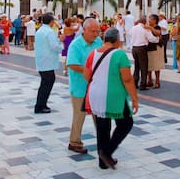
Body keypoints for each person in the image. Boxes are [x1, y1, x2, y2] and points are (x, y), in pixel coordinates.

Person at [84, 28, 139, 170]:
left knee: (102, 127)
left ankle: (103, 161)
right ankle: (106, 152)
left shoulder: (93, 53)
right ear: (117, 40)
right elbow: (127, 79)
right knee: (126, 123)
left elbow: (86, 74)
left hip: (95, 94)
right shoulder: (120, 54)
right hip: (114, 96)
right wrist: (134, 98)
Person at [66, 18, 102, 154]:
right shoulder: (75, 45)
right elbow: (71, 64)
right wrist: (87, 70)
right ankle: (74, 142)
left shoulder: (98, 42)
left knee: (99, 114)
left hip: (96, 86)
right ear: (84, 30)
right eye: (93, 31)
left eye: (97, 31)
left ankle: (103, 139)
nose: (96, 34)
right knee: (79, 115)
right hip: (80, 87)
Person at [34, 14, 63, 113]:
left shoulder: (40, 31)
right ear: (51, 22)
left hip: (42, 60)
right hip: (47, 61)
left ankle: (41, 104)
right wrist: (62, 47)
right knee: (47, 83)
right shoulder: (49, 32)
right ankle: (40, 105)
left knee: (45, 83)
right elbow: (54, 46)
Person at [128, 17, 159, 90]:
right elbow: (151, 39)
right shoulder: (145, 29)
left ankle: (135, 83)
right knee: (144, 67)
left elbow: (129, 34)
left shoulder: (133, 28)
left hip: (134, 48)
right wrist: (158, 39)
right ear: (145, 22)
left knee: (136, 66)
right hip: (142, 48)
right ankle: (143, 85)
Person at [146, 14, 163, 89]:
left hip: (156, 48)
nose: (149, 20)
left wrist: (150, 28)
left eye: (150, 19)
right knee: (149, 65)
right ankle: (149, 80)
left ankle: (157, 81)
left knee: (156, 65)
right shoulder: (148, 27)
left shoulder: (157, 27)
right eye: (149, 19)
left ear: (155, 21)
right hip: (149, 48)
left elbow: (158, 33)